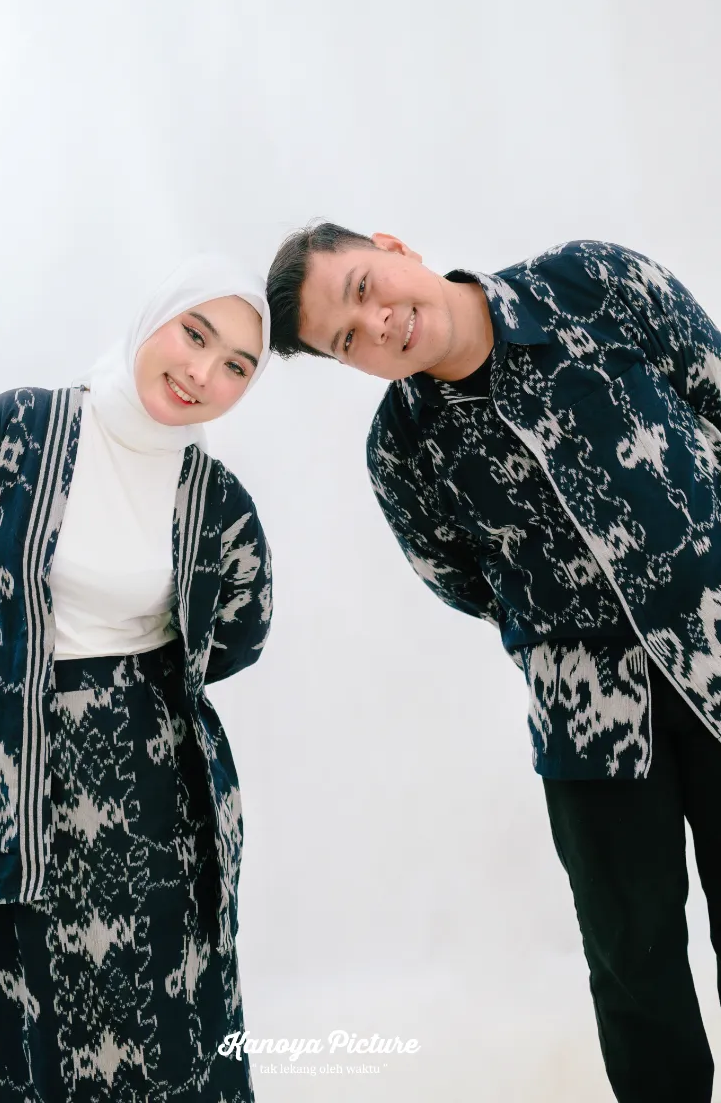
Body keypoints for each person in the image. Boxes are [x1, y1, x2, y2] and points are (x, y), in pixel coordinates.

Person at [266, 223, 721, 1103]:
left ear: (392, 248)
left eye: (362, 288)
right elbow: (460, 581)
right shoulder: (402, 450)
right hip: (589, 727)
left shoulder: (591, 283)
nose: (378, 323)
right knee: (633, 964)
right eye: (347, 340)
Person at [0, 256, 273, 1102]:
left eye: (236, 366)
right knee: (18, 1014)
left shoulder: (214, 499)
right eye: (195, 334)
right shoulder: (16, 429)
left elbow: (243, 625)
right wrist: (11, 651)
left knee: (162, 1014)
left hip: (152, 781)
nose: (202, 373)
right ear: (153, 318)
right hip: (6, 777)